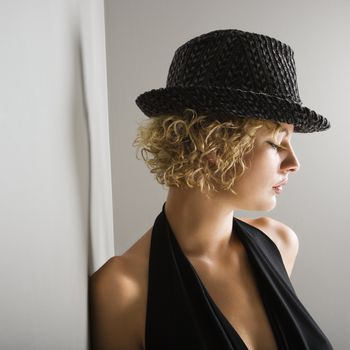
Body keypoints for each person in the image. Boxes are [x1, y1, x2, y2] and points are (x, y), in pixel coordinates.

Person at [89, 29, 334, 350]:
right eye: (276, 142)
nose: (293, 162)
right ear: (213, 143)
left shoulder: (280, 243)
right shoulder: (122, 291)